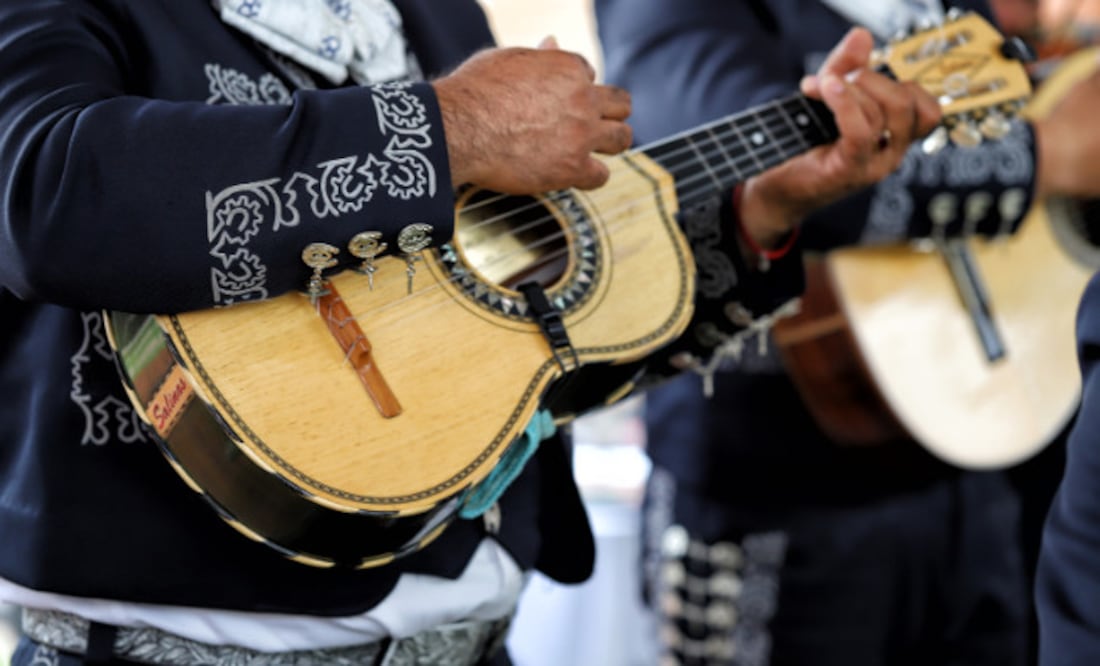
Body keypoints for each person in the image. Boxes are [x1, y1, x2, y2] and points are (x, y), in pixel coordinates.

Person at [0, 1, 941, 665]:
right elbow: (37, 196)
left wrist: (760, 211)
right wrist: (447, 127)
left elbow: (529, 349)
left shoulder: (438, 13)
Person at [595, 0, 1100, 664]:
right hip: (772, 496)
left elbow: (998, 107)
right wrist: (1045, 156)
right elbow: (705, 165)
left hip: (978, 457)